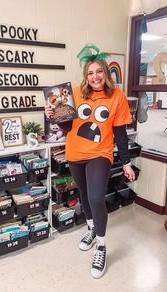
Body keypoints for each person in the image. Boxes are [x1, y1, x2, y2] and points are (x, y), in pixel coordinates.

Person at [45, 44, 135, 279]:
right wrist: (53, 116)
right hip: (75, 153)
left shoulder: (117, 97)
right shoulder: (74, 93)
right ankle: (91, 229)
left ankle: (102, 246)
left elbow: (121, 134)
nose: (95, 77)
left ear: (106, 73)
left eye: (99, 72)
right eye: (90, 73)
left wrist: (125, 162)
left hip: (100, 153)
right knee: (84, 196)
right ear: (86, 76)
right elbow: (67, 127)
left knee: (96, 197)